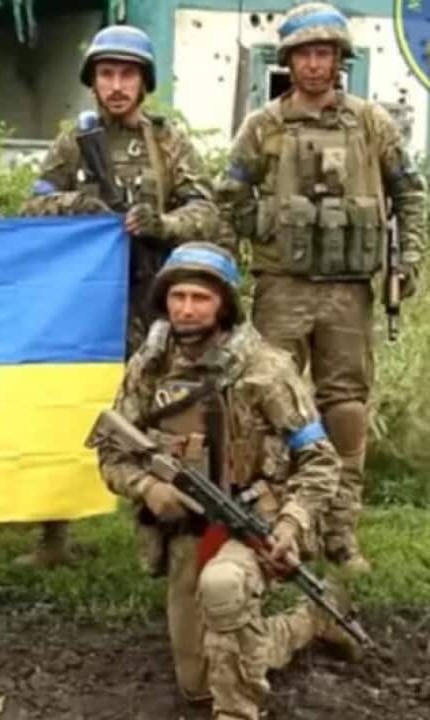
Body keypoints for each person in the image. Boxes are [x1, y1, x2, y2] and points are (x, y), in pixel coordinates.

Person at [89, 242, 362, 719]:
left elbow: (320, 459)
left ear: (224, 305)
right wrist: (148, 488)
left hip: (258, 517)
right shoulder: (149, 367)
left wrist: (291, 524)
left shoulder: (265, 369)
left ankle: (237, 710)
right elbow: (112, 451)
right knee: (197, 685)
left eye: (201, 298)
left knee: (223, 588)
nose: (187, 309)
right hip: (188, 530)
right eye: (178, 296)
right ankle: (307, 621)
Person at [217, 2, 425, 576]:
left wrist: (408, 258)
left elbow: (409, 192)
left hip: (348, 292)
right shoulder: (264, 126)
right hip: (282, 286)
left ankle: (339, 531)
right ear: (289, 60)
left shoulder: (371, 123)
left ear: (339, 60)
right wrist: (262, 228)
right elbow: (227, 195)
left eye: (324, 54)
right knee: (268, 404)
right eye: (305, 54)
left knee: (347, 407)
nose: (314, 65)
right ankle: (271, 523)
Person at [16, 25, 223, 568]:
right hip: (85, 301)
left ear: (143, 83)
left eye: (127, 74)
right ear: (92, 82)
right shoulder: (73, 143)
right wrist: (80, 207)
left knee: (164, 413)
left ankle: (160, 528)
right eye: (106, 74)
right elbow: (32, 208)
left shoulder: (168, 142)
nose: (116, 85)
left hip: (153, 298)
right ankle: (53, 535)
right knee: (68, 406)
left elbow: (207, 212)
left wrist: (162, 223)